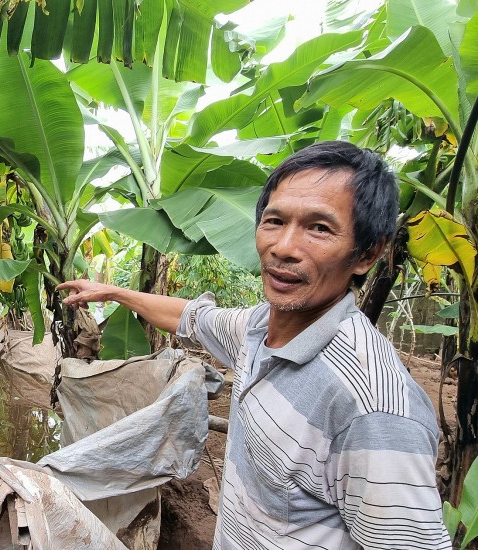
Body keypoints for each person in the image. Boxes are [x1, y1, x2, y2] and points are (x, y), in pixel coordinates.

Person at [56, 141, 450, 549]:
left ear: (367, 254)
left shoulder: (373, 408)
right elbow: (191, 316)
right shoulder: (258, 329)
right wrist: (112, 292)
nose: (284, 247)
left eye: (319, 228)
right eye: (274, 221)